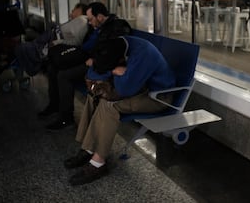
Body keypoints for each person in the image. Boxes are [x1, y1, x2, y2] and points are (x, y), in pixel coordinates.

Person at [64, 36, 176, 186]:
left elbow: (124, 89)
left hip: (158, 96)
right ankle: (88, 149)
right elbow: (93, 73)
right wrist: (115, 70)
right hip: (140, 88)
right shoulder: (113, 45)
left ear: (119, 59)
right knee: (94, 96)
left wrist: (114, 72)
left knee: (110, 105)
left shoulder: (143, 54)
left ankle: (98, 164)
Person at [40, 2, 132, 131]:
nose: (88, 22)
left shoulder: (115, 28)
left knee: (64, 76)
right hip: (89, 58)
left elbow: (112, 55)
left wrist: (94, 60)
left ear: (99, 17)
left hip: (100, 65)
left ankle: (66, 118)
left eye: (90, 19)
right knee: (53, 67)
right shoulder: (98, 27)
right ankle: (55, 105)